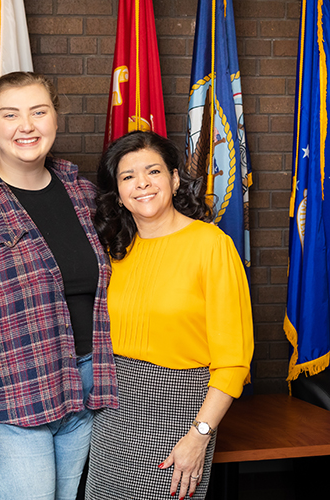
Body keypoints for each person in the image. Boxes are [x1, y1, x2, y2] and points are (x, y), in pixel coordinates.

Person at [0, 71, 118, 500]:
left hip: (84, 393)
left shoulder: (83, 194)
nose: (26, 125)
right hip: (10, 402)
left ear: (55, 118)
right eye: (10, 114)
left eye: (38, 111)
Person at [86, 131, 253, 500]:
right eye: (128, 176)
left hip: (179, 416)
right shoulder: (116, 251)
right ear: (118, 191)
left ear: (175, 179)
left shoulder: (212, 246)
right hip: (113, 417)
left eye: (153, 172)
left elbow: (233, 363)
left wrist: (200, 437)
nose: (142, 184)